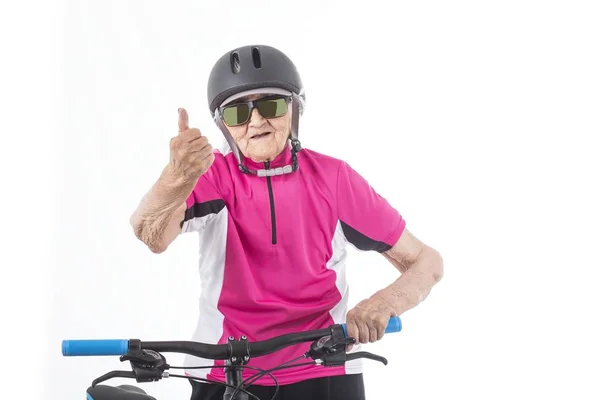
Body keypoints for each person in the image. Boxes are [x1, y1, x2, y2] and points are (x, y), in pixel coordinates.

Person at [130, 44, 444, 400]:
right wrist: (175, 179)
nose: (257, 122)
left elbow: (426, 262)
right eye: (237, 113)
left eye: (271, 105)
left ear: (295, 109)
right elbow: (150, 233)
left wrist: (385, 303)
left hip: (324, 363)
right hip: (225, 368)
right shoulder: (211, 176)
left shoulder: (334, 178)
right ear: (222, 125)